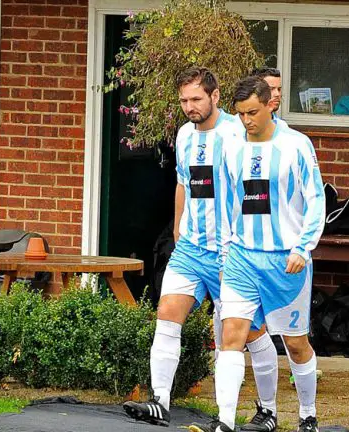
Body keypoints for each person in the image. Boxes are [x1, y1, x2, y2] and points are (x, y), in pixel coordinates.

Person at [123, 67, 280, 431]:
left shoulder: (236, 132)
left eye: (196, 99)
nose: (190, 107)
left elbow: (254, 188)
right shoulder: (183, 135)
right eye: (184, 101)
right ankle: (160, 400)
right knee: (167, 314)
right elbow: (183, 183)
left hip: (232, 252)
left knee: (247, 335)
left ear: (215, 96)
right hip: (192, 248)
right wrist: (178, 231)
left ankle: (268, 410)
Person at [190, 76, 325, 432]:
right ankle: (227, 421)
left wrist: (303, 247)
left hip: (285, 260)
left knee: (295, 345)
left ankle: (307, 414)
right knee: (232, 334)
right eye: (240, 114)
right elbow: (225, 206)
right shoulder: (231, 149)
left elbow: (316, 201)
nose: (246, 120)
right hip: (242, 257)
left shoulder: (297, 146)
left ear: (270, 105)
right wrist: (223, 257)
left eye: (252, 112)